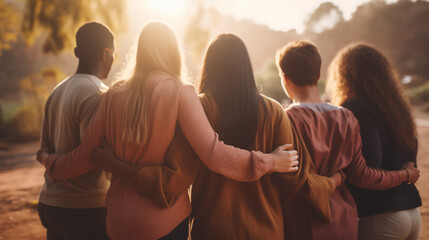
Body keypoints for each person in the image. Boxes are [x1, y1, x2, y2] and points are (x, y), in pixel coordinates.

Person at [37, 22, 301, 240]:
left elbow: (84, 156)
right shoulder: (181, 93)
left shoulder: (113, 95)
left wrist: (50, 161)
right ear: (173, 51)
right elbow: (214, 154)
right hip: (164, 223)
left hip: (118, 222)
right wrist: (270, 162)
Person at [92, 34, 342, 240]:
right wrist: (334, 181)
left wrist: (116, 166)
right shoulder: (275, 111)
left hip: (212, 229)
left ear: (209, 67)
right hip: (266, 230)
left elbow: (173, 179)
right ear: (246, 67)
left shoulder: (198, 109)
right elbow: (298, 179)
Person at [275, 40, 420, 240]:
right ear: (318, 75)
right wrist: (403, 175)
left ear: (284, 78)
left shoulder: (285, 119)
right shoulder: (346, 117)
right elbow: (360, 173)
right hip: (344, 220)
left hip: (304, 221)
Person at [326, 43, 422, 240]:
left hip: (380, 217)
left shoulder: (356, 107)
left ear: (346, 75)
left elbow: (368, 169)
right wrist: (405, 175)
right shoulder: (396, 108)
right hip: (411, 213)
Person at [37, 22, 114, 240]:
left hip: (50, 204)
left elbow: (44, 150)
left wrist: (48, 161)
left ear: (77, 52)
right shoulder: (98, 93)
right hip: (85, 208)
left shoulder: (57, 90)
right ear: (107, 54)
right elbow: (93, 157)